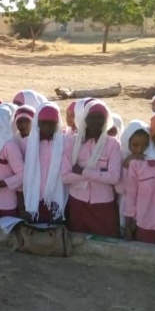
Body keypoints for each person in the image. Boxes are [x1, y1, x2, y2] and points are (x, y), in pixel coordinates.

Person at [60, 100, 121, 237]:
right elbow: (64, 176)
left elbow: (114, 178)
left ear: (106, 120)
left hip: (103, 203)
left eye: (100, 117)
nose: (95, 121)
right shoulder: (72, 142)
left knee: (105, 242)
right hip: (77, 201)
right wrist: (100, 174)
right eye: (91, 117)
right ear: (84, 118)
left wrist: (83, 171)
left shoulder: (113, 144)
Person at [123, 113, 155, 244]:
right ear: (153, 138)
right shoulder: (139, 163)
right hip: (146, 224)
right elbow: (131, 194)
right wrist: (129, 222)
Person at [20, 103, 66, 224]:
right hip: (35, 196)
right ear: (37, 123)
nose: (47, 127)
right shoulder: (26, 143)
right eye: (43, 123)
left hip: (57, 197)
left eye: (51, 124)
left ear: (57, 124)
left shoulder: (65, 142)